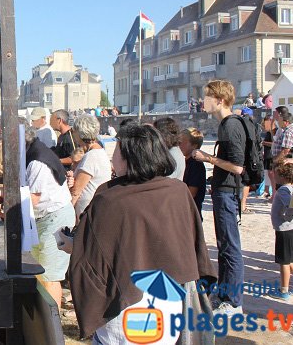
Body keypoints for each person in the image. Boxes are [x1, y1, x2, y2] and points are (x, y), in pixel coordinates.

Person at [64, 124, 216, 342]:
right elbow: (193, 243)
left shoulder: (110, 199)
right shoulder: (178, 191)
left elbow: (92, 257)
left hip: (124, 307)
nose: (112, 158)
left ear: (129, 157)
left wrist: (72, 246)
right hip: (169, 303)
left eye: (115, 152)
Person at [191, 80, 246, 315]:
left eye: (207, 97)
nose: (204, 101)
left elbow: (237, 167)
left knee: (230, 246)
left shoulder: (229, 126)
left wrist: (207, 158)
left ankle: (233, 301)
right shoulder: (227, 124)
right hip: (223, 190)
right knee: (224, 245)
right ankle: (225, 295)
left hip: (227, 190)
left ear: (220, 100)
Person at [22, 117, 75, 307]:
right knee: (40, 271)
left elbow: (33, 198)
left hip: (56, 219)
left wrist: (2, 209)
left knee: (50, 275)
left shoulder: (37, 161)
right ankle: (44, 320)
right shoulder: (34, 152)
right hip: (46, 218)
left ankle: (53, 329)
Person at [69, 114, 111, 218]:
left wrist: (67, 217)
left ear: (80, 133)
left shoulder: (91, 157)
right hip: (95, 210)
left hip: (87, 214)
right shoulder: (100, 152)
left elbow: (76, 192)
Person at [268, 161, 293, 300]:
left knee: (284, 261)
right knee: (289, 260)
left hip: (285, 229)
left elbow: (290, 205)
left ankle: (284, 291)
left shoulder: (284, 190)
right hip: (289, 229)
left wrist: (287, 214)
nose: (273, 175)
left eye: (276, 173)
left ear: (283, 176)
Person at [180, 128, 207, 219]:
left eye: (183, 142)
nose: (179, 144)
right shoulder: (185, 162)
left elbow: (192, 192)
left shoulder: (195, 164)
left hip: (190, 213)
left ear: (194, 145)